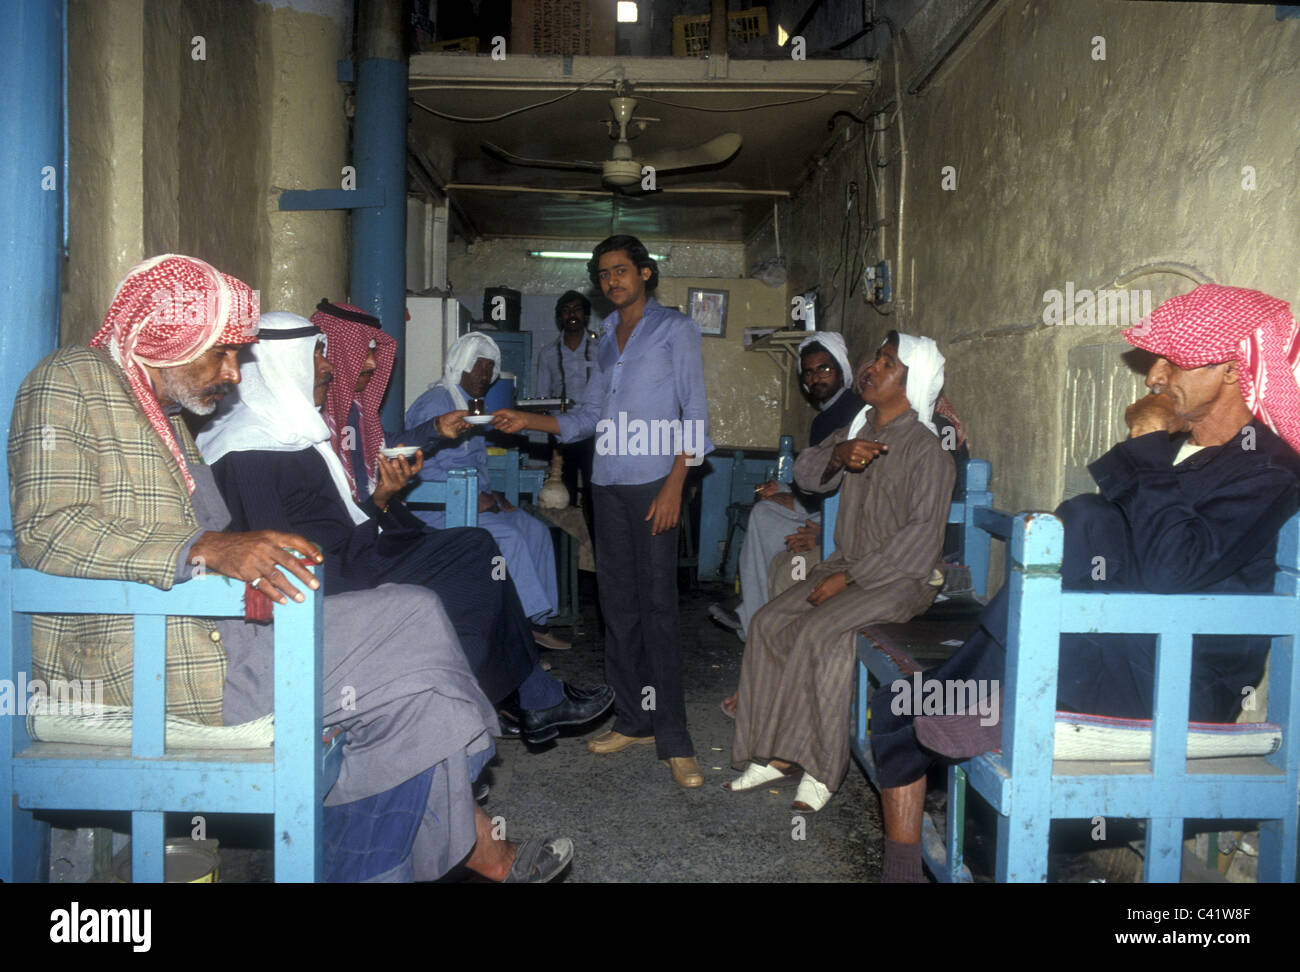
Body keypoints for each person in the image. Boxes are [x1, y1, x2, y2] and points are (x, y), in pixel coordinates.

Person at [7, 255, 572, 881]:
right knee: (418, 654)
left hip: (219, 628)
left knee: (420, 660)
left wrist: (250, 552)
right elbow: (47, 531)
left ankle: (409, 858)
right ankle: (473, 847)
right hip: (151, 658)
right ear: (171, 334)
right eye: (223, 353)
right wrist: (208, 549)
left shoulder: (163, 416)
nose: (233, 373)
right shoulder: (70, 380)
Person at [872, 284, 1300, 882]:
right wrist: (1152, 455)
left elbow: (1171, 570)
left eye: (1172, 360)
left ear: (1232, 368)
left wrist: (1147, 449)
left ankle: (977, 693)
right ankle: (905, 864)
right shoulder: (1177, 452)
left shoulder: (1270, 466)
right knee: (902, 701)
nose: (1154, 376)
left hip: (1173, 682)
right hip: (1101, 652)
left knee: (1084, 518)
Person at [196, 311, 613, 744]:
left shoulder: (289, 429)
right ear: (282, 364)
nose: (329, 365)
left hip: (351, 550)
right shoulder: (245, 447)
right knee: (474, 556)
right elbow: (285, 558)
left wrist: (388, 492)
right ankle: (495, 702)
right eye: (317, 354)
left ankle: (504, 700)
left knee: (477, 549)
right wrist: (378, 503)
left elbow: (342, 505)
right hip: (330, 576)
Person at [493, 235, 714, 788]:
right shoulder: (606, 341)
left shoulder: (675, 330)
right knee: (617, 608)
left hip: (653, 484)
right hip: (607, 485)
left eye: (621, 270)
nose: (612, 280)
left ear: (645, 273)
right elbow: (588, 414)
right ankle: (634, 719)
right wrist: (529, 421)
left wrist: (675, 484)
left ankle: (676, 739)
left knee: (659, 608)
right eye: (604, 274)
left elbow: (695, 410)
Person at [727, 332, 956, 813]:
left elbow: (920, 541)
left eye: (888, 363)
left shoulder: (927, 451)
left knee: (822, 631)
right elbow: (806, 477)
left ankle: (820, 767)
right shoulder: (857, 428)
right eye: (876, 357)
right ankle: (773, 754)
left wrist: (847, 581)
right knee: (769, 623)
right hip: (845, 567)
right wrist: (837, 454)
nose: (872, 367)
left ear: (910, 383)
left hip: (901, 581)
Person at [403, 332, 567, 649]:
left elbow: (476, 463)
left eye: (489, 367)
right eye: (478, 365)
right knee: (511, 538)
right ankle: (522, 625)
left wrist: (493, 495)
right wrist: (470, 496)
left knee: (534, 530)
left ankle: (537, 620)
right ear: (460, 365)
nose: (484, 374)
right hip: (438, 506)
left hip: (473, 501)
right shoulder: (437, 403)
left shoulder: (472, 405)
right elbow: (419, 464)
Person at [709, 332, 861, 644]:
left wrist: (821, 532)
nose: (816, 376)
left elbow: (850, 486)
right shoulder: (824, 418)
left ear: (842, 371)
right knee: (764, 513)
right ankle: (753, 619)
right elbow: (819, 476)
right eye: (809, 371)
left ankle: (756, 621)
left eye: (824, 369)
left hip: (841, 512)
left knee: (765, 514)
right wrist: (783, 487)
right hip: (823, 507)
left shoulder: (855, 413)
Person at [534, 290, 598, 511]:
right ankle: (567, 542)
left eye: (577, 309)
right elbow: (542, 397)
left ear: (586, 315)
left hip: (596, 431)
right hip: (562, 432)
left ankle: (594, 544)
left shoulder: (600, 349)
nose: (572, 314)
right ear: (559, 317)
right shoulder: (548, 354)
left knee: (596, 490)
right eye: (566, 310)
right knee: (562, 495)